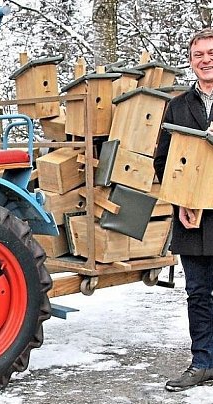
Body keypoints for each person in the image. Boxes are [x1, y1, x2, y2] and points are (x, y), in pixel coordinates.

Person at [154, 28, 213, 391]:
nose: (205, 60)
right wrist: (179, 202)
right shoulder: (177, 106)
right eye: (198, 55)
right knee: (198, 293)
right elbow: (163, 159)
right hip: (192, 215)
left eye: (211, 53)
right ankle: (203, 362)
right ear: (191, 62)